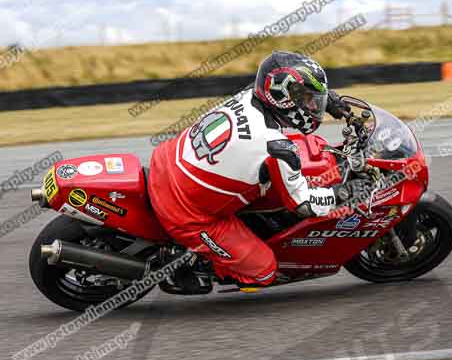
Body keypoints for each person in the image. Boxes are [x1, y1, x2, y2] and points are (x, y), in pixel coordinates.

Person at [148, 51, 372, 292]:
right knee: (263, 270)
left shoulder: (249, 95)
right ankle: (194, 261)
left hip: (168, 160)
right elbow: (304, 205)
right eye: (309, 99)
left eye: (313, 99)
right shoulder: (277, 146)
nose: (313, 105)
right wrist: (343, 192)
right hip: (184, 210)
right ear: (284, 99)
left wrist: (332, 102)